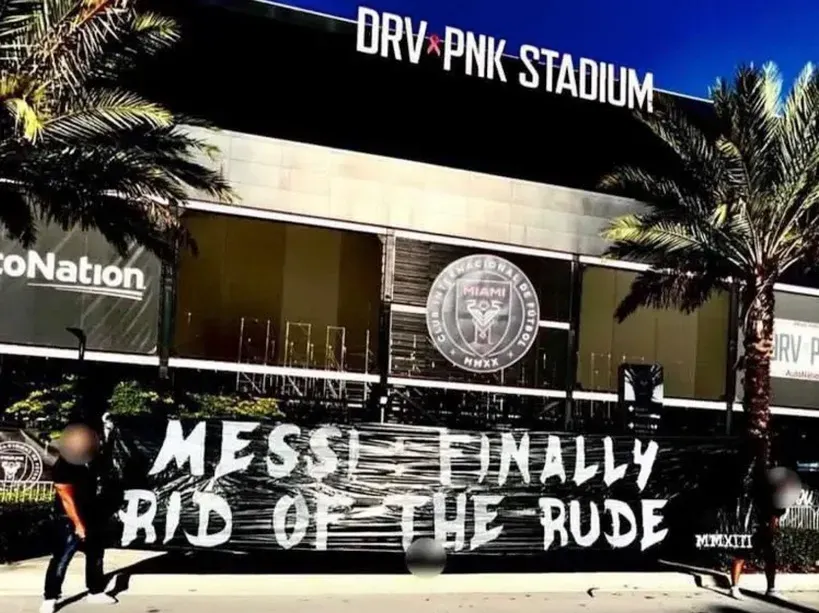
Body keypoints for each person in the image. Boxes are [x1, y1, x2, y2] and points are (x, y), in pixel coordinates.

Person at [40, 424, 117, 613]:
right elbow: (66, 498)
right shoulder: (65, 465)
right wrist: (78, 525)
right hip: (68, 517)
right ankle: (50, 598)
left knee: (96, 556)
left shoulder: (93, 459)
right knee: (62, 558)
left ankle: (95, 591)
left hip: (93, 514)